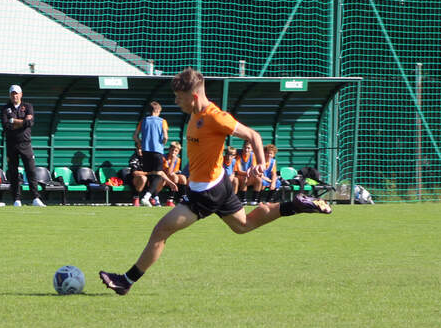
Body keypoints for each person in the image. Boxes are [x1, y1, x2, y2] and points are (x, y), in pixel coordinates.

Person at [99, 68, 330, 295]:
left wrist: (260, 163)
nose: (176, 102)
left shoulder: (215, 117)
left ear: (194, 96)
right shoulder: (195, 113)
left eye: (179, 97)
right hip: (217, 184)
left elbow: (253, 135)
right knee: (244, 225)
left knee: (161, 231)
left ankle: (126, 281)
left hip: (206, 192)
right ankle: (295, 204)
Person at [0, 84, 44, 207]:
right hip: (11, 144)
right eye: (12, 94)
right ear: (10, 95)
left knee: (31, 171)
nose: (15, 96)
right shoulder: (5, 109)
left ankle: (35, 198)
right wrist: (23, 122)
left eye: (17, 93)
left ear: (21, 94)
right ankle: (16, 200)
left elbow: (30, 123)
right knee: (13, 173)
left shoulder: (28, 106)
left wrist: (14, 121)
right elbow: (6, 126)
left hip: (26, 144)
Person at [133, 101, 169, 206]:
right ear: (158, 110)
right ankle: (146, 197)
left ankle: (154, 198)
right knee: (158, 175)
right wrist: (162, 144)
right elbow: (165, 137)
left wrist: (141, 143)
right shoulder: (162, 121)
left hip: (145, 151)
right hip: (157, 151)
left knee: (151, 175)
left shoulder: (143, 121)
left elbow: (135, 136)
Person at [159, 140, 186, 205]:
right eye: (172, 150)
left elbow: (175, 171)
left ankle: (182, 198)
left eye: (176, 151)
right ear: (169, 149)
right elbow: (169, 172)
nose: (173, 152)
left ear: (178, 152)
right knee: (174, 177)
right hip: (163, 178)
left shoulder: (178, 160)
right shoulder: (163, 158)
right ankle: (170, 200)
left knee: (183, 177)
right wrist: (173, 161)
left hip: (171, 177)